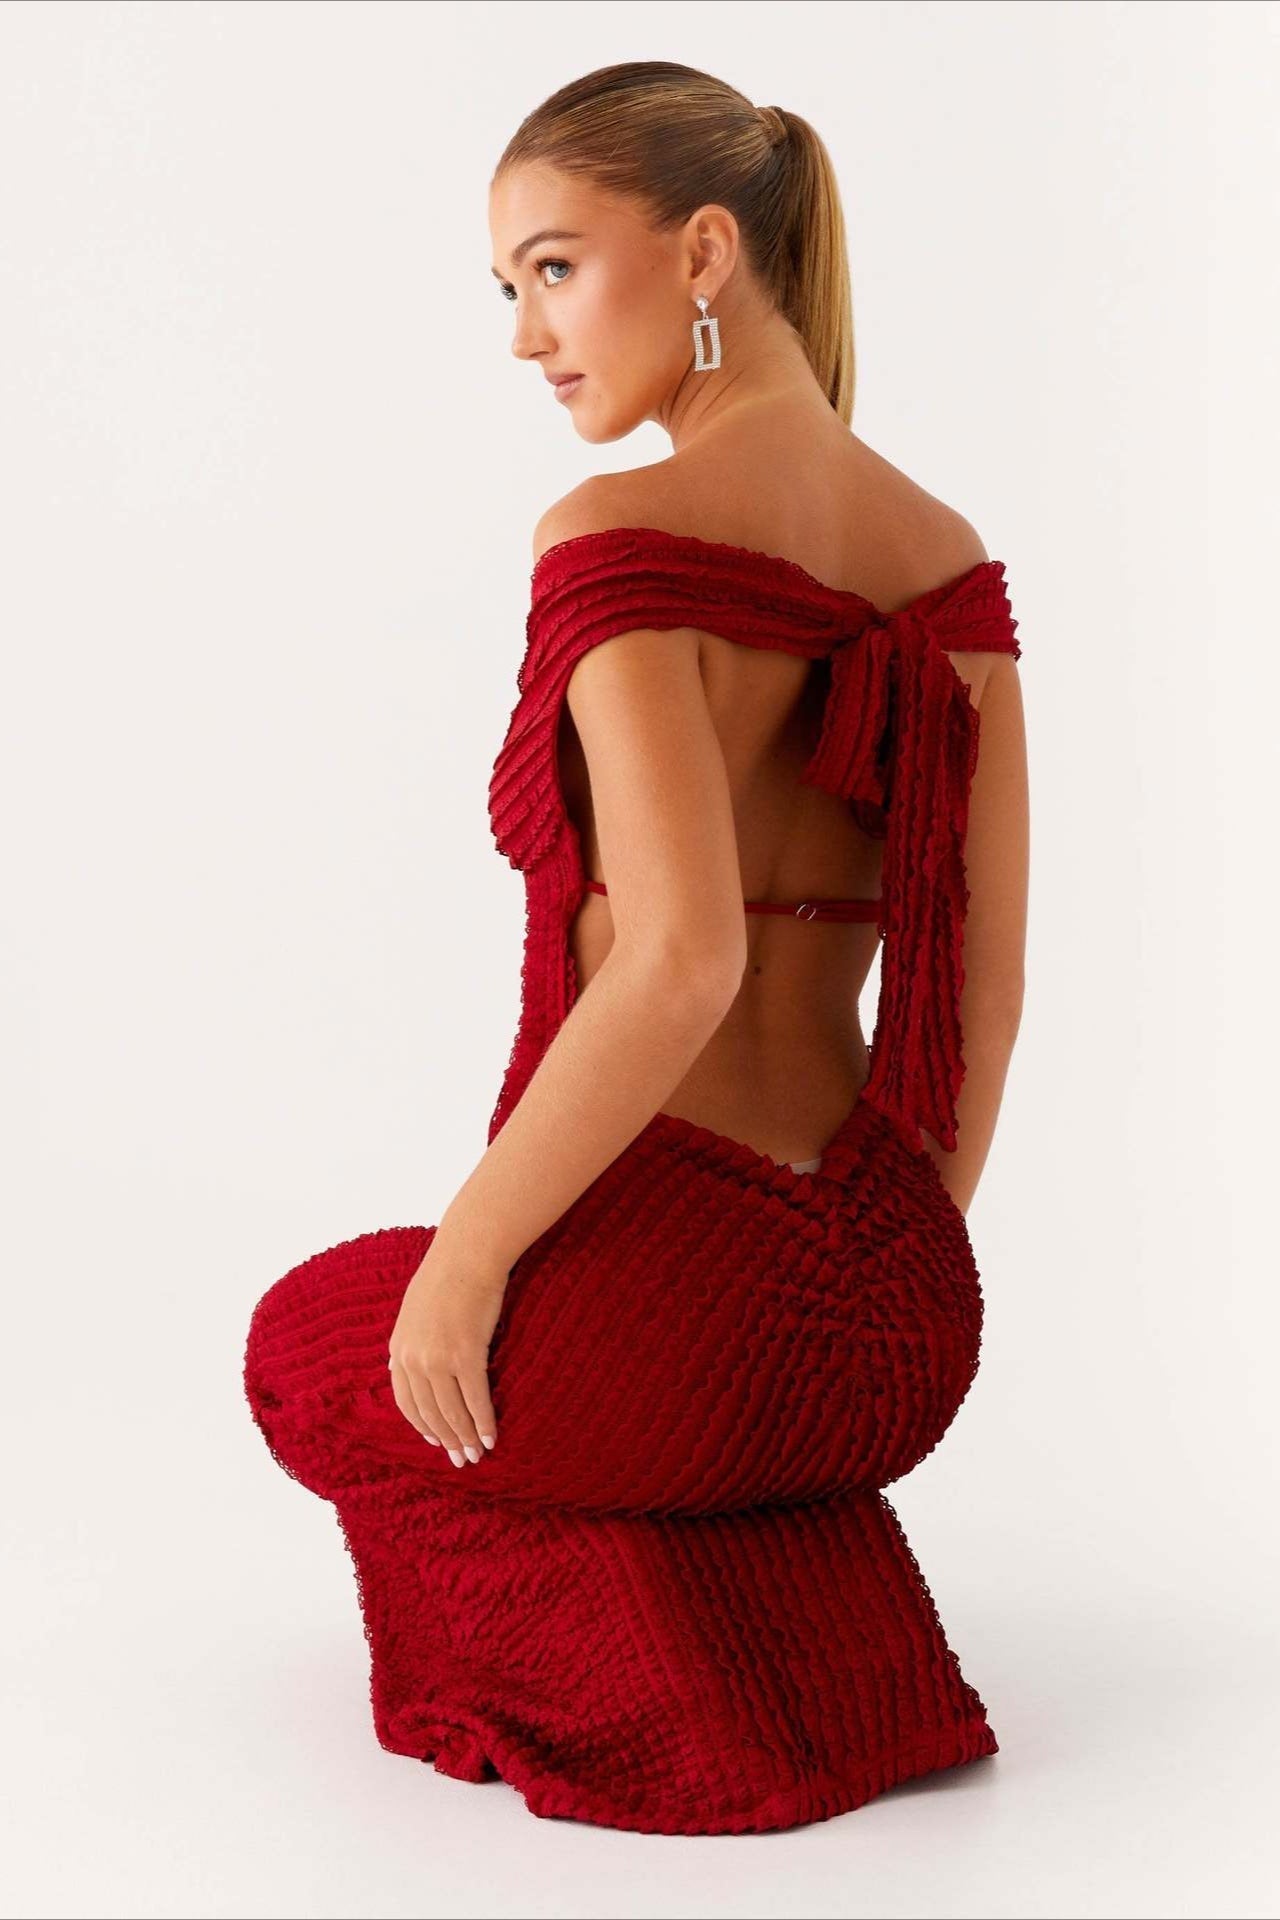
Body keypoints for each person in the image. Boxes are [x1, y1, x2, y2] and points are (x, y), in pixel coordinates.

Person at [243, 59, 1029, 1837]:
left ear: (702, 254)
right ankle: (792, 1614)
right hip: (901, 1321)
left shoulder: (619, 535)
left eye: (552, 269)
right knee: (599, 1377)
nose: (527, 336)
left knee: (308, 1349)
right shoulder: (948, 558)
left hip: (687, 1309)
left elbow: (682, 959)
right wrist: (880, 1264)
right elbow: (981, 995)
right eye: (507, 288)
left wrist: (471, 1263)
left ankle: (690, 1703)